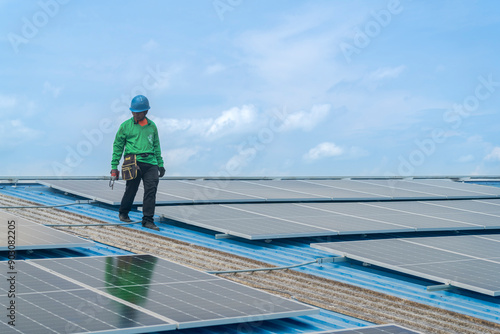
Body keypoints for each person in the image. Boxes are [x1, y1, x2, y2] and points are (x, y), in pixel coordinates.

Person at [111, 95, 165, 230]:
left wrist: (160, 164)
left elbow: (156, 146)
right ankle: (123, 212)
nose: (135, 114)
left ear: (146, 112)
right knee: (131, 189)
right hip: (133, 161)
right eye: (133, 112)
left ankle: (147, 220)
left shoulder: (152, 127)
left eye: (138, 112)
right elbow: (118, 146)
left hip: (151, 162)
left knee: (151, 191)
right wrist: (114, 167)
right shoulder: (125, 126)